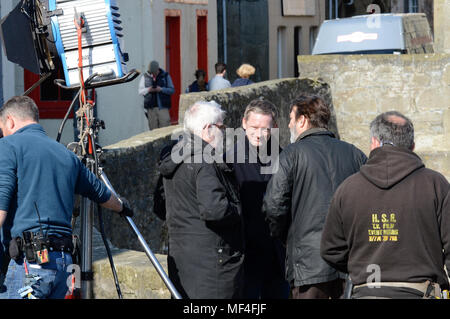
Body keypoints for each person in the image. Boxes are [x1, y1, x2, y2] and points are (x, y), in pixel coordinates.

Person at [0, 96, 133, 299]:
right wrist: (122, 207)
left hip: (29, 264)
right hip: (66, 266)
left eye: (3, 128)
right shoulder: (67, 155)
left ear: (10, 121)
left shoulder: (8, 146)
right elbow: (102, 194)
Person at [321, 111, 450, 299]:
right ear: (412, 146)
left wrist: (361, 264)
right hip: (422, 291)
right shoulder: (436, 185)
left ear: (374, 142)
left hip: (366, 291)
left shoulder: (347, 189)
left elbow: (330, 249)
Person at [262, 94, 367, 299]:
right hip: (349, 260)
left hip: (308, 264)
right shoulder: (354, 153)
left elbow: (273, 206)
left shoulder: (291, 154)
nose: (290, 124)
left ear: (302, 120)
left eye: (291, 118)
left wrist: (286, 238)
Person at [158, 101, 244, 299]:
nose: (224, 132)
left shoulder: (175, 155)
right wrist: (239, 209)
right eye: (222, 127)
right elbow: (214, 209)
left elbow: (160, 204)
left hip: (182, 257)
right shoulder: (204, 161)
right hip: (212, 264)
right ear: (208, 128)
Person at [227, 99, 289, 299]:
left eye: (265, 128)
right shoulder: (229, 160)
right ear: (244, 123)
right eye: (254, 127)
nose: (259, 134)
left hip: (277, 254)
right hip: (246, 254)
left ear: (274, 127)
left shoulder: (284, 157)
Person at [138, 60, 175, 130]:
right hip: (150, 109)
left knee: (165, 129)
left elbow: (172, 90)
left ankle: (166, 141)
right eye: (151, 73)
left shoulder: (165, 76)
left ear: (158, 69)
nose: (153, 75)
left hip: (163, 107)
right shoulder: (145, 77)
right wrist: (149, 89)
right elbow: (140, 91)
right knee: (153, 131)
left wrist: (161, 89)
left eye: (154, 73)